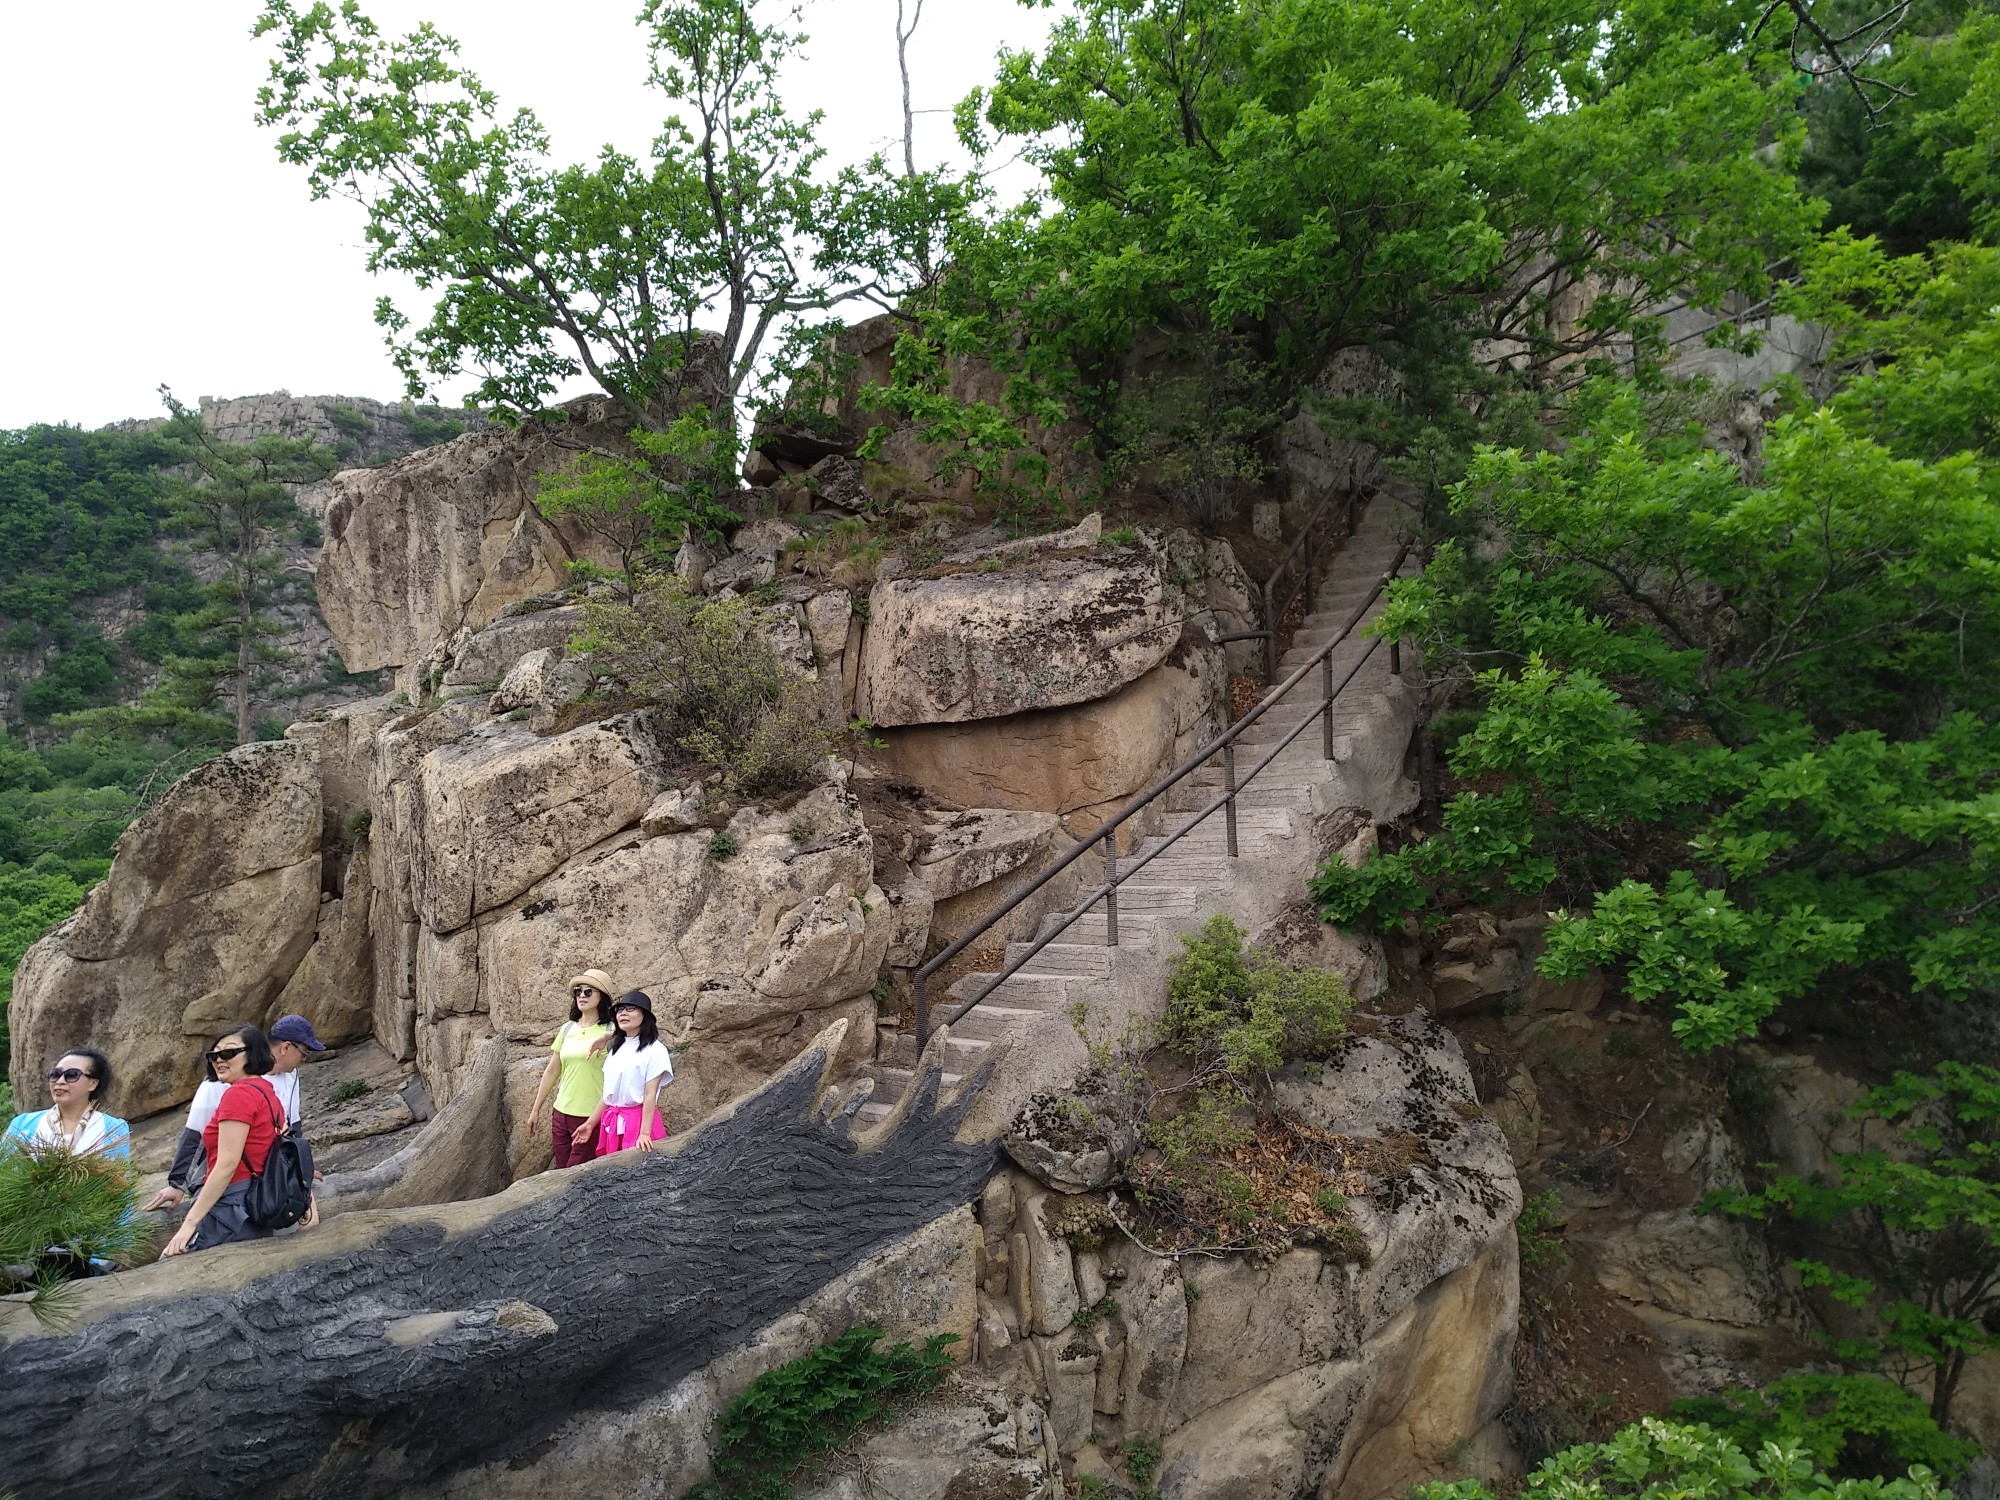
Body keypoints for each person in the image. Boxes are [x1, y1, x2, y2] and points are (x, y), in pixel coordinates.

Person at [146, 1013, 324, 1215]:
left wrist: (301, 1171)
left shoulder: (291, 1077)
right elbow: (195, 1133)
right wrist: (177, 1184)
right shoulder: (221, 1080)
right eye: (304, 1051)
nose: (304, 1058)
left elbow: (292, 1130)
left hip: (272, 1180)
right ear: (286, 1048)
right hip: (230, 1183)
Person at [160, 1025, 289, 1256]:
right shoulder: (267, 1091)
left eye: (229, 1052)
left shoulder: (238, 1094)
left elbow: (227, 1164)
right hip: (255, 1202)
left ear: (252, 1053)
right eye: (214, 1054)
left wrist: (188, 1224)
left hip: (229, 1206)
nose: (219, 1059)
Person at [525, 969, 617, 1168]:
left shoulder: (612, 1030)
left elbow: (642, 1037)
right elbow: (552, 1071)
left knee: (577, 1175)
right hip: (561, 1113)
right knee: (561, 1171)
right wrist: (535, 1110)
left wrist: (609, 1038)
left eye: (588, 991)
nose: (581, 996)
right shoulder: (567, 1029)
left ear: (602, 997)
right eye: (578, 991)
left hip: (591, 1115)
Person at [573, 991, 673, 1156]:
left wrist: (645, 1133)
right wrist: (590, 1124)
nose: (623, 1013)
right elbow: (608, 1094)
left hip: (640, 1124)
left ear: (645, 1015)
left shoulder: (656, 1050)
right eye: (619, 1011)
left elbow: (650, 1095)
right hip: (613, 1124)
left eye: (630, 1009)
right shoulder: (616, 1048)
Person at [3, 1047, 130, 1161]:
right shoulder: (23, 1124)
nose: (60, 1081)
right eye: (55, 1074)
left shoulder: (113, 1128)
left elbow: (119, 1182)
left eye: (72, 1075)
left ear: (93, 1083)